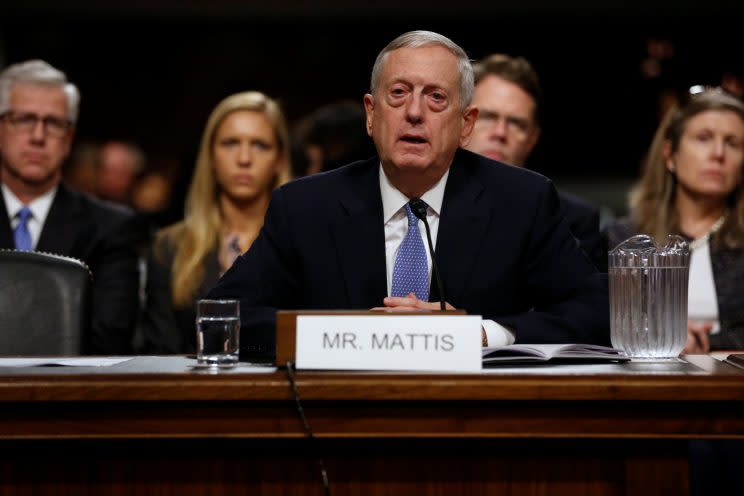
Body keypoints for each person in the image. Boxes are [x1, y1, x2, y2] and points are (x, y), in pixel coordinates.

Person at [207, 31, 609, 362]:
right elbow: (222, 319)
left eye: (436, 97)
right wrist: (354, 337)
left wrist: (480, 332)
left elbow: (596, 310)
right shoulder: (305, 207)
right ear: (370, 114)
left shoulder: (521, 202)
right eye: (398, 93)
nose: (414, 112)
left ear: (466, 124)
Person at [0, 59, 144, 354]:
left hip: (69, 395)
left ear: (68, 139)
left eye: (53, 123)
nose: (38, 136)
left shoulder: (112, 229)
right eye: (24, 119)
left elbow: (108, 339)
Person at [138, 91, 291, 353]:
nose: (244, 159)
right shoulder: (169, 246)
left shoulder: (304, 242)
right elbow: (159, 350)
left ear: (278, 160)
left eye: (260, 145)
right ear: (210, 156)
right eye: (230, 143)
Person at [604, 88, 744, 353]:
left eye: (733, 143)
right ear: (670, 154)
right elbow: (595, 321)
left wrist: (704, 344)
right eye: (703, 138)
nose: (718, 153)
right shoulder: (620, 238)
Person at [464, 54, 604, 270]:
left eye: (516, 124)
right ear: (463, 121)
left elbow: (581, 301)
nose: (500, 133)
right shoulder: (426, 201)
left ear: (532, 139)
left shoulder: (572, 222)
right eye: (488, 117)